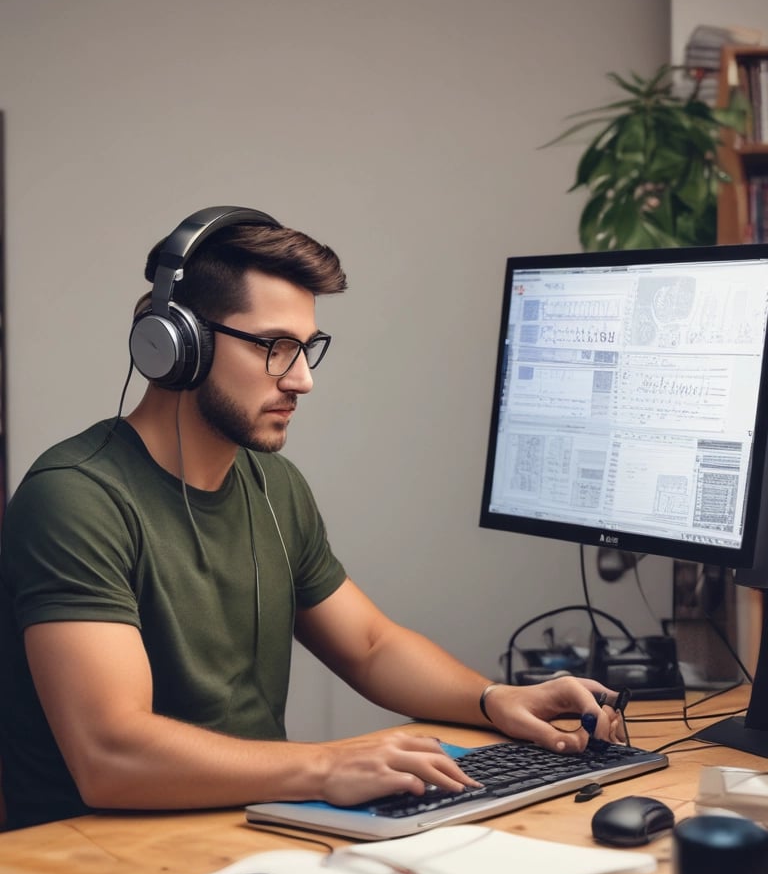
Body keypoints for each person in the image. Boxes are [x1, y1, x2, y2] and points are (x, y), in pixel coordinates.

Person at [0, 205, 624, 837]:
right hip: (87, 871)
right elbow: (111, 755)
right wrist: (326, 766)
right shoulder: (77, 498)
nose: (301, 380)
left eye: (307, 349)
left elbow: (372, 646)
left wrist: (495, 700)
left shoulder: (273, 485)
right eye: (275, 347)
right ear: (177, 344)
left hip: (245, 830)